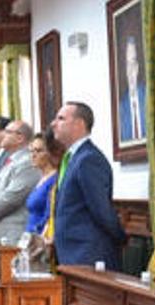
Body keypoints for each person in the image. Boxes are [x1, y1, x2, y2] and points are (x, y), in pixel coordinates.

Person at [45, 102, 126, 268]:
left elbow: (101, 210)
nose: (53, 123)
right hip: (71, 255)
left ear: (79, 124)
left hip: (88, 256)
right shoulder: (72, 158)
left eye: (61, 119)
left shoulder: (89, 159)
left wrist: (121, 239)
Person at [0, 120, 41, 244]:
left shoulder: (28, 162)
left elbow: (12, 196)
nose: (3, 135)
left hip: (14, 234)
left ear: (20, 138)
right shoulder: (10, 160)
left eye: (7, 132)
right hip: (0, 233)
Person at [24, 131, 63, 235]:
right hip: (30, 236)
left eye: (38, 151)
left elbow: (49, 215)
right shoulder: (42, 178)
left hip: (41, 238)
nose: (33, 155)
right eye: (31, 151)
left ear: (50, 153)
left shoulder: (55, 179)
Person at [118, 37, 148, 143]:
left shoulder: (148, 97)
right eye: (127, 65)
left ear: (138, 67)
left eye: (133, 63)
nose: (131, 71)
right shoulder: (121, 106)